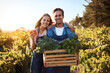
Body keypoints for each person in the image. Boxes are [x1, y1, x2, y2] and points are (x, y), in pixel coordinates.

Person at [47, 8, 78, 73]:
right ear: (53, 17)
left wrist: (77, 56)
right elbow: (45, 46)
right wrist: (45, 58)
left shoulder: (69, 29)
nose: (58, 17)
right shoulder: (50, 30)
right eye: (56, 16)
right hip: (52, 62)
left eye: (59, 15)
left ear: (63, 16)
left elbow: (76, 42)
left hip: (65, 61)